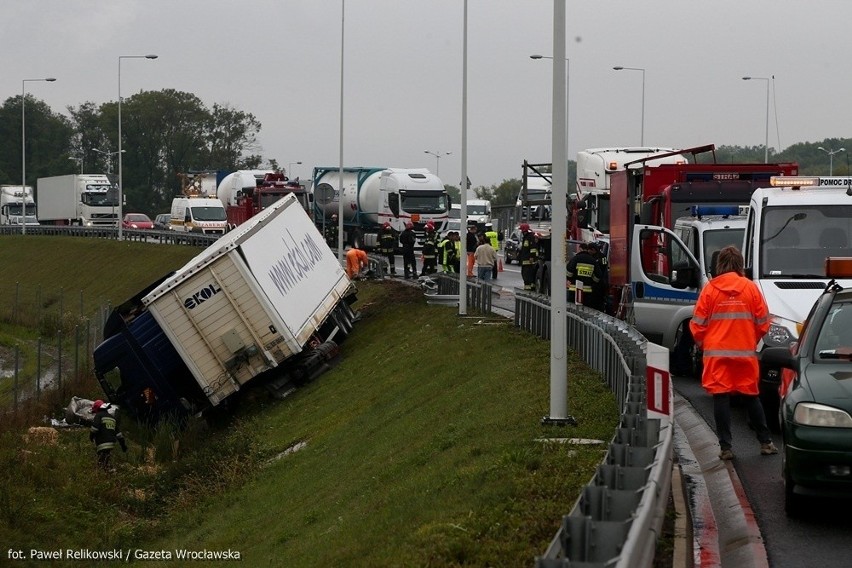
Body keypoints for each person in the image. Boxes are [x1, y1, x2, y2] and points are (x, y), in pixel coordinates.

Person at [689, 245, 777, 461]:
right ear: (740, 264)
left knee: (721, 398)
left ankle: (726, 447)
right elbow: (764, 322)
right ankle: (765, 442)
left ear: (720, 265)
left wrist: (705, 345)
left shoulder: (710, 290)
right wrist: (750, 338)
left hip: (716, 355)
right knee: (751, 397)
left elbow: (697, 326)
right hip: (745, 354)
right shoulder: (750, 288)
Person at [89, 399, 126, 472]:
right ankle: (109, 470)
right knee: (107, 458)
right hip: (111, 444)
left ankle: (105, 473)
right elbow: (119, 434)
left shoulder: (99, 415)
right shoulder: (112, 418)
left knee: (101, 462)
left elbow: (94, 428)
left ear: (97, 409)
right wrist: (123, 445)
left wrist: (91, 436)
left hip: (102, 443)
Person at [566, 242, 602, 308]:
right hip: (587, 291)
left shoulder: (575, 259)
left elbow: (569, 272)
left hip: (574, 290)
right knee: (586, 311)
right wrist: (591, 281)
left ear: (580, 249)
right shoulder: (593, 260)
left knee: (572, 310)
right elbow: (598, 276)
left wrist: (570, 279)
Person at [518, 223, 539, 291]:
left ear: (524, 230)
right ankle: (530, 288)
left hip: (528, 261)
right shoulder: (526, 237)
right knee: (526, 275)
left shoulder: (530, 237)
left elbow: (533, 248)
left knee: (527, 276)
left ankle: (528, 290)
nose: (521, 232)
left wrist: (532, 257)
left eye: (522, 230)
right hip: (525, 261)